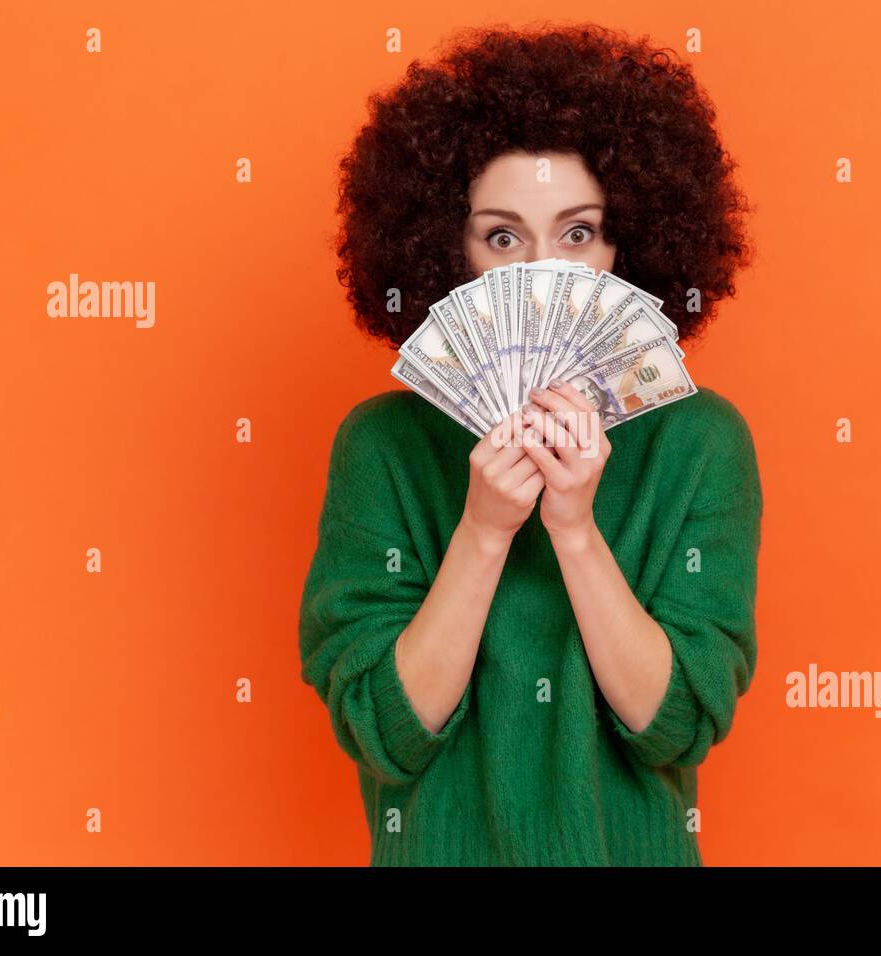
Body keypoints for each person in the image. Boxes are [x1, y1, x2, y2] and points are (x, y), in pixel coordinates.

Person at [299, 23, 761, 866]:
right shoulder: (382, 447)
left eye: (578, 232)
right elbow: (385, 733)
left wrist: (576, 533)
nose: (539, 272)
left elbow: (679, 724)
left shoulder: (699, 441)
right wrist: (482, 533)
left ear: (630, 245)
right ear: (450, 252)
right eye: (503, 237)